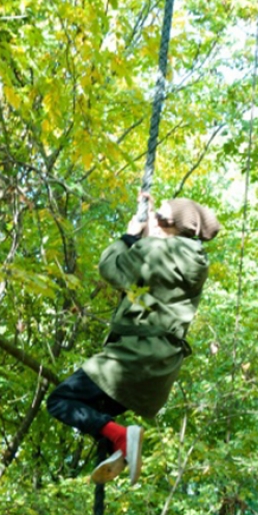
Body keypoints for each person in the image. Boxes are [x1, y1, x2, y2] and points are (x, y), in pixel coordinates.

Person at [47, 193, 219, 486]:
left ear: (170, 226)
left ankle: (123, 438)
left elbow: (109, 267)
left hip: (132, 359)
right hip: (158, 370)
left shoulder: (156, 251)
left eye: (160, 218)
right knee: (96, 414)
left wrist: (129, 237)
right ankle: (120, 445)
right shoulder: (193, 263)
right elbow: (152, 307)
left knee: (60, 400)